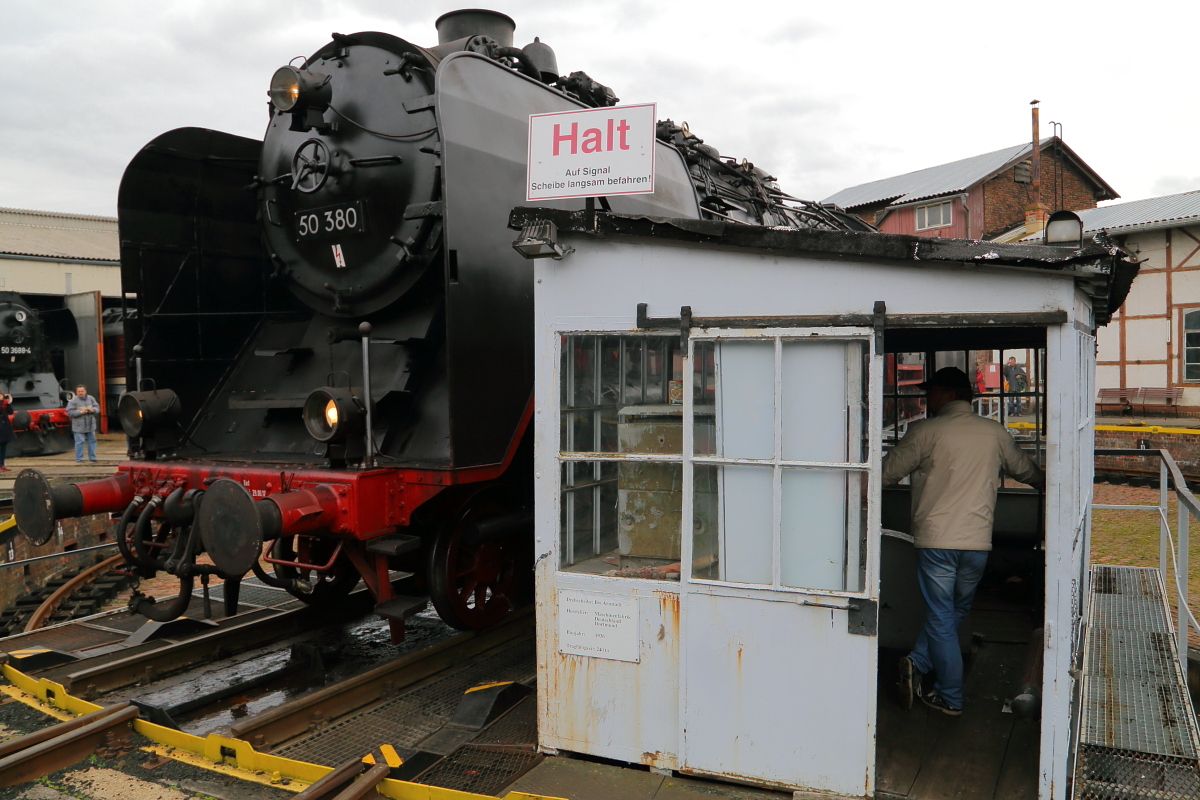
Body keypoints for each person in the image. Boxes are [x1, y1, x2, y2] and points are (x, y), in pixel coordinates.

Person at [882, 366, 1044, 716]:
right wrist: (1052, 484)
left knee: (941, 616)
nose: (927, 398)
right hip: (978, 541)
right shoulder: (994, 432)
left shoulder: (925, 432)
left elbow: (885, 473)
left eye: (932, 391)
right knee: (955, 611)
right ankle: (918, 660)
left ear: (950, 394)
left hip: (937, 541)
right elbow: (1025, 471)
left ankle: (951, 696)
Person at [66, 385, 99, 463]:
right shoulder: (73, 401)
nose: (80, 393)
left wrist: (93, 410)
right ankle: (79, 459)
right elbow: (69, 412)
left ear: (85, 391)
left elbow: (97, 408)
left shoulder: (91, 398)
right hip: (79, 426)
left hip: (91, 425)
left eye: (82, 391)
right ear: (76, 392)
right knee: (80, 442)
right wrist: (80, 412)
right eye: (79, 391)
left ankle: (92, 458)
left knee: (92, 441)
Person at [0, 393, 14, 471]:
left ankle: (2, 464)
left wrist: (8, 402)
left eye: (1, 395)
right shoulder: (1, 404)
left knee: (3, 446)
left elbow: (10, 412)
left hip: (5, 427)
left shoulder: (4, 404)